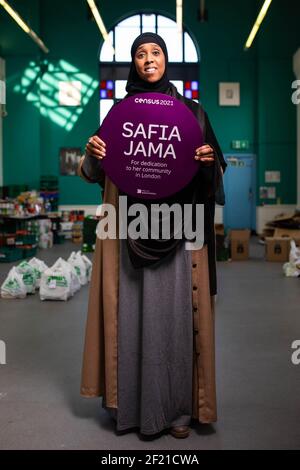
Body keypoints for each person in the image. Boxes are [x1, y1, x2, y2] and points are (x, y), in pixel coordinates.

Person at [78, 32, 227, 439]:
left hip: (179, 231)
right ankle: (128, 408)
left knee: (175, 323)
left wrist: (207, 162)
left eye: (155, 52)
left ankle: (177, 412)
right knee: (129, 319)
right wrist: (94, 154)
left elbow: (215, 177)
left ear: (165, 61)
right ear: (133, 64)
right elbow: (95, 173)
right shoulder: (120, 115)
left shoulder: (193, 114)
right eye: (140, 53)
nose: (148, 59)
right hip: (129, 228)